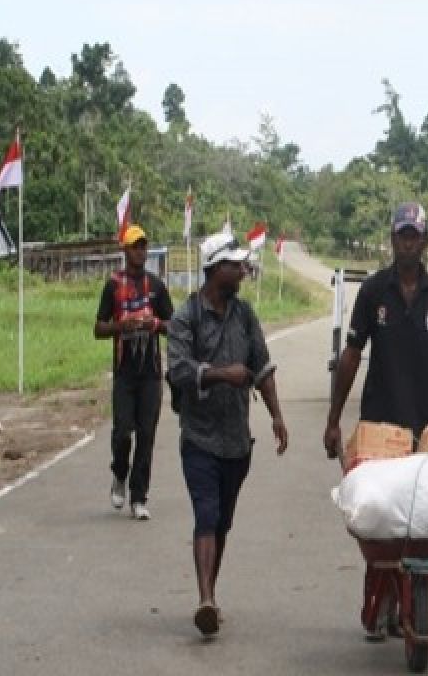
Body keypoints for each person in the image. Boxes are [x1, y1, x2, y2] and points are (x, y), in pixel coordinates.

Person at [323, 202, 428, 642]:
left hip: (420, 425)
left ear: (425, 242)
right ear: (393, 240)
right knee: (379, 522)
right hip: (377, 423)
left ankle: (413, 599)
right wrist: (334, 419)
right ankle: (381, 601)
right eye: (402, 234)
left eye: (415, 235)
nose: (408, 242)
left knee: (419, 521)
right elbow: (351, 356)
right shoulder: (372, 292)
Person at [167, 231, 289, 637]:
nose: (242, 270)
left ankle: (211, 594)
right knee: (207, 513)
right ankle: (204, 599)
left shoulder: (245, 315)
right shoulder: (185, 317)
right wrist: (221, 374)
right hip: (199, 437)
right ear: (216, 269)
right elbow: (179, 370)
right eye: (235, 265)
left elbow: (263, 366)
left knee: (222, 524)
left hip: (237, 441)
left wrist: (276, 416)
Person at [94, 225, 174, 520]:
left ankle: (139, 496)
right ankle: (119, 474)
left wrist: (155, 324)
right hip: (125, 372)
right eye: (135, 246)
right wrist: (121, 326)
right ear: (125, 251)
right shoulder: (113, 286)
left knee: (146, 435)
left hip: (151, 372)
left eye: (143, 246)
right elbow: (98, 328)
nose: (140, 251)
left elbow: (173, 325)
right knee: (122, 433)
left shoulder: (156, 286)